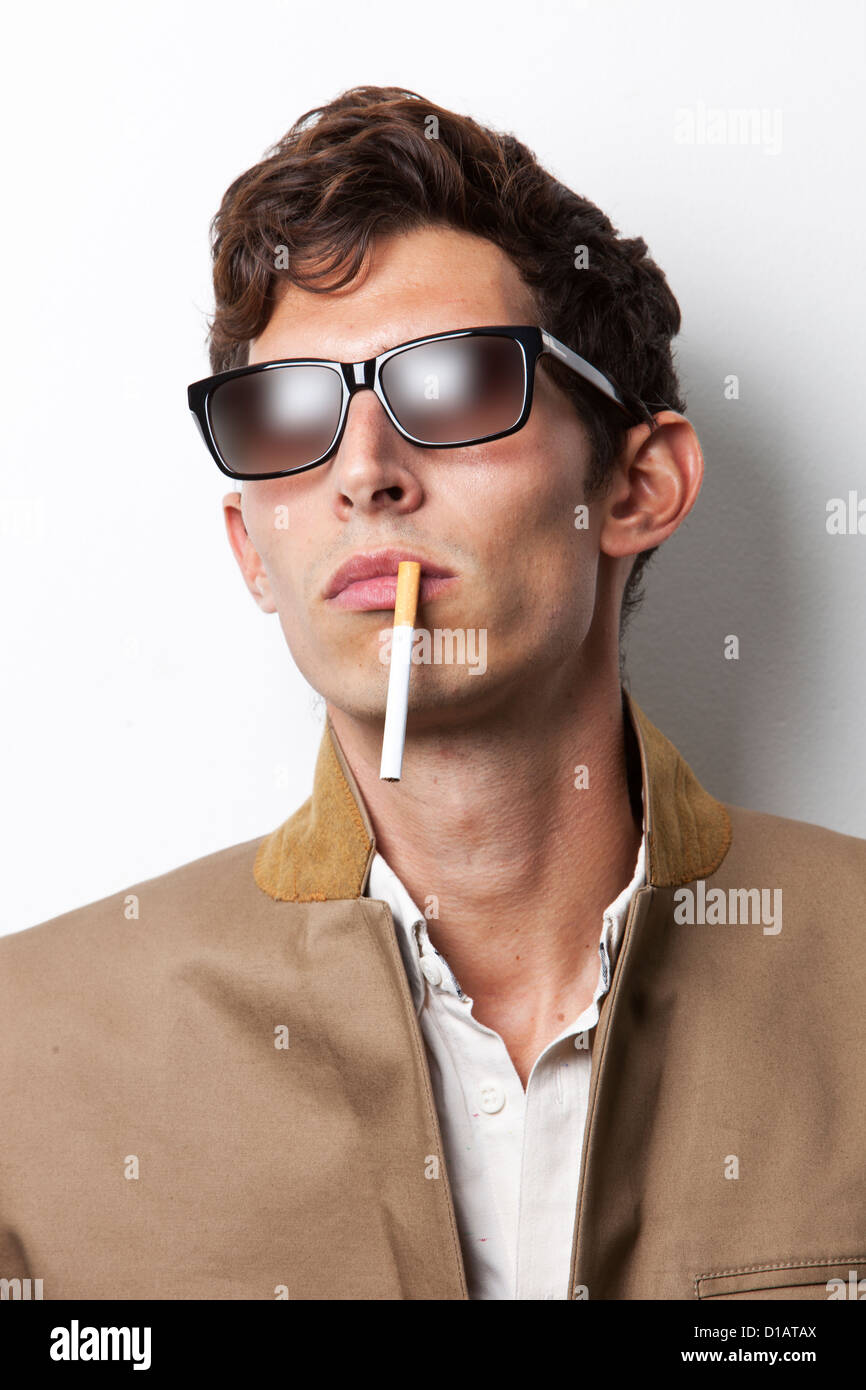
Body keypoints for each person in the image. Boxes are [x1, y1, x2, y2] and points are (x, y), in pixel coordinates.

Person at [2, 86, 864, 1303]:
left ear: (637, 486)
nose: (362, 471)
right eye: (287, 412)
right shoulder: (27, 1060)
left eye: (454, 386)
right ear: (254, 549)